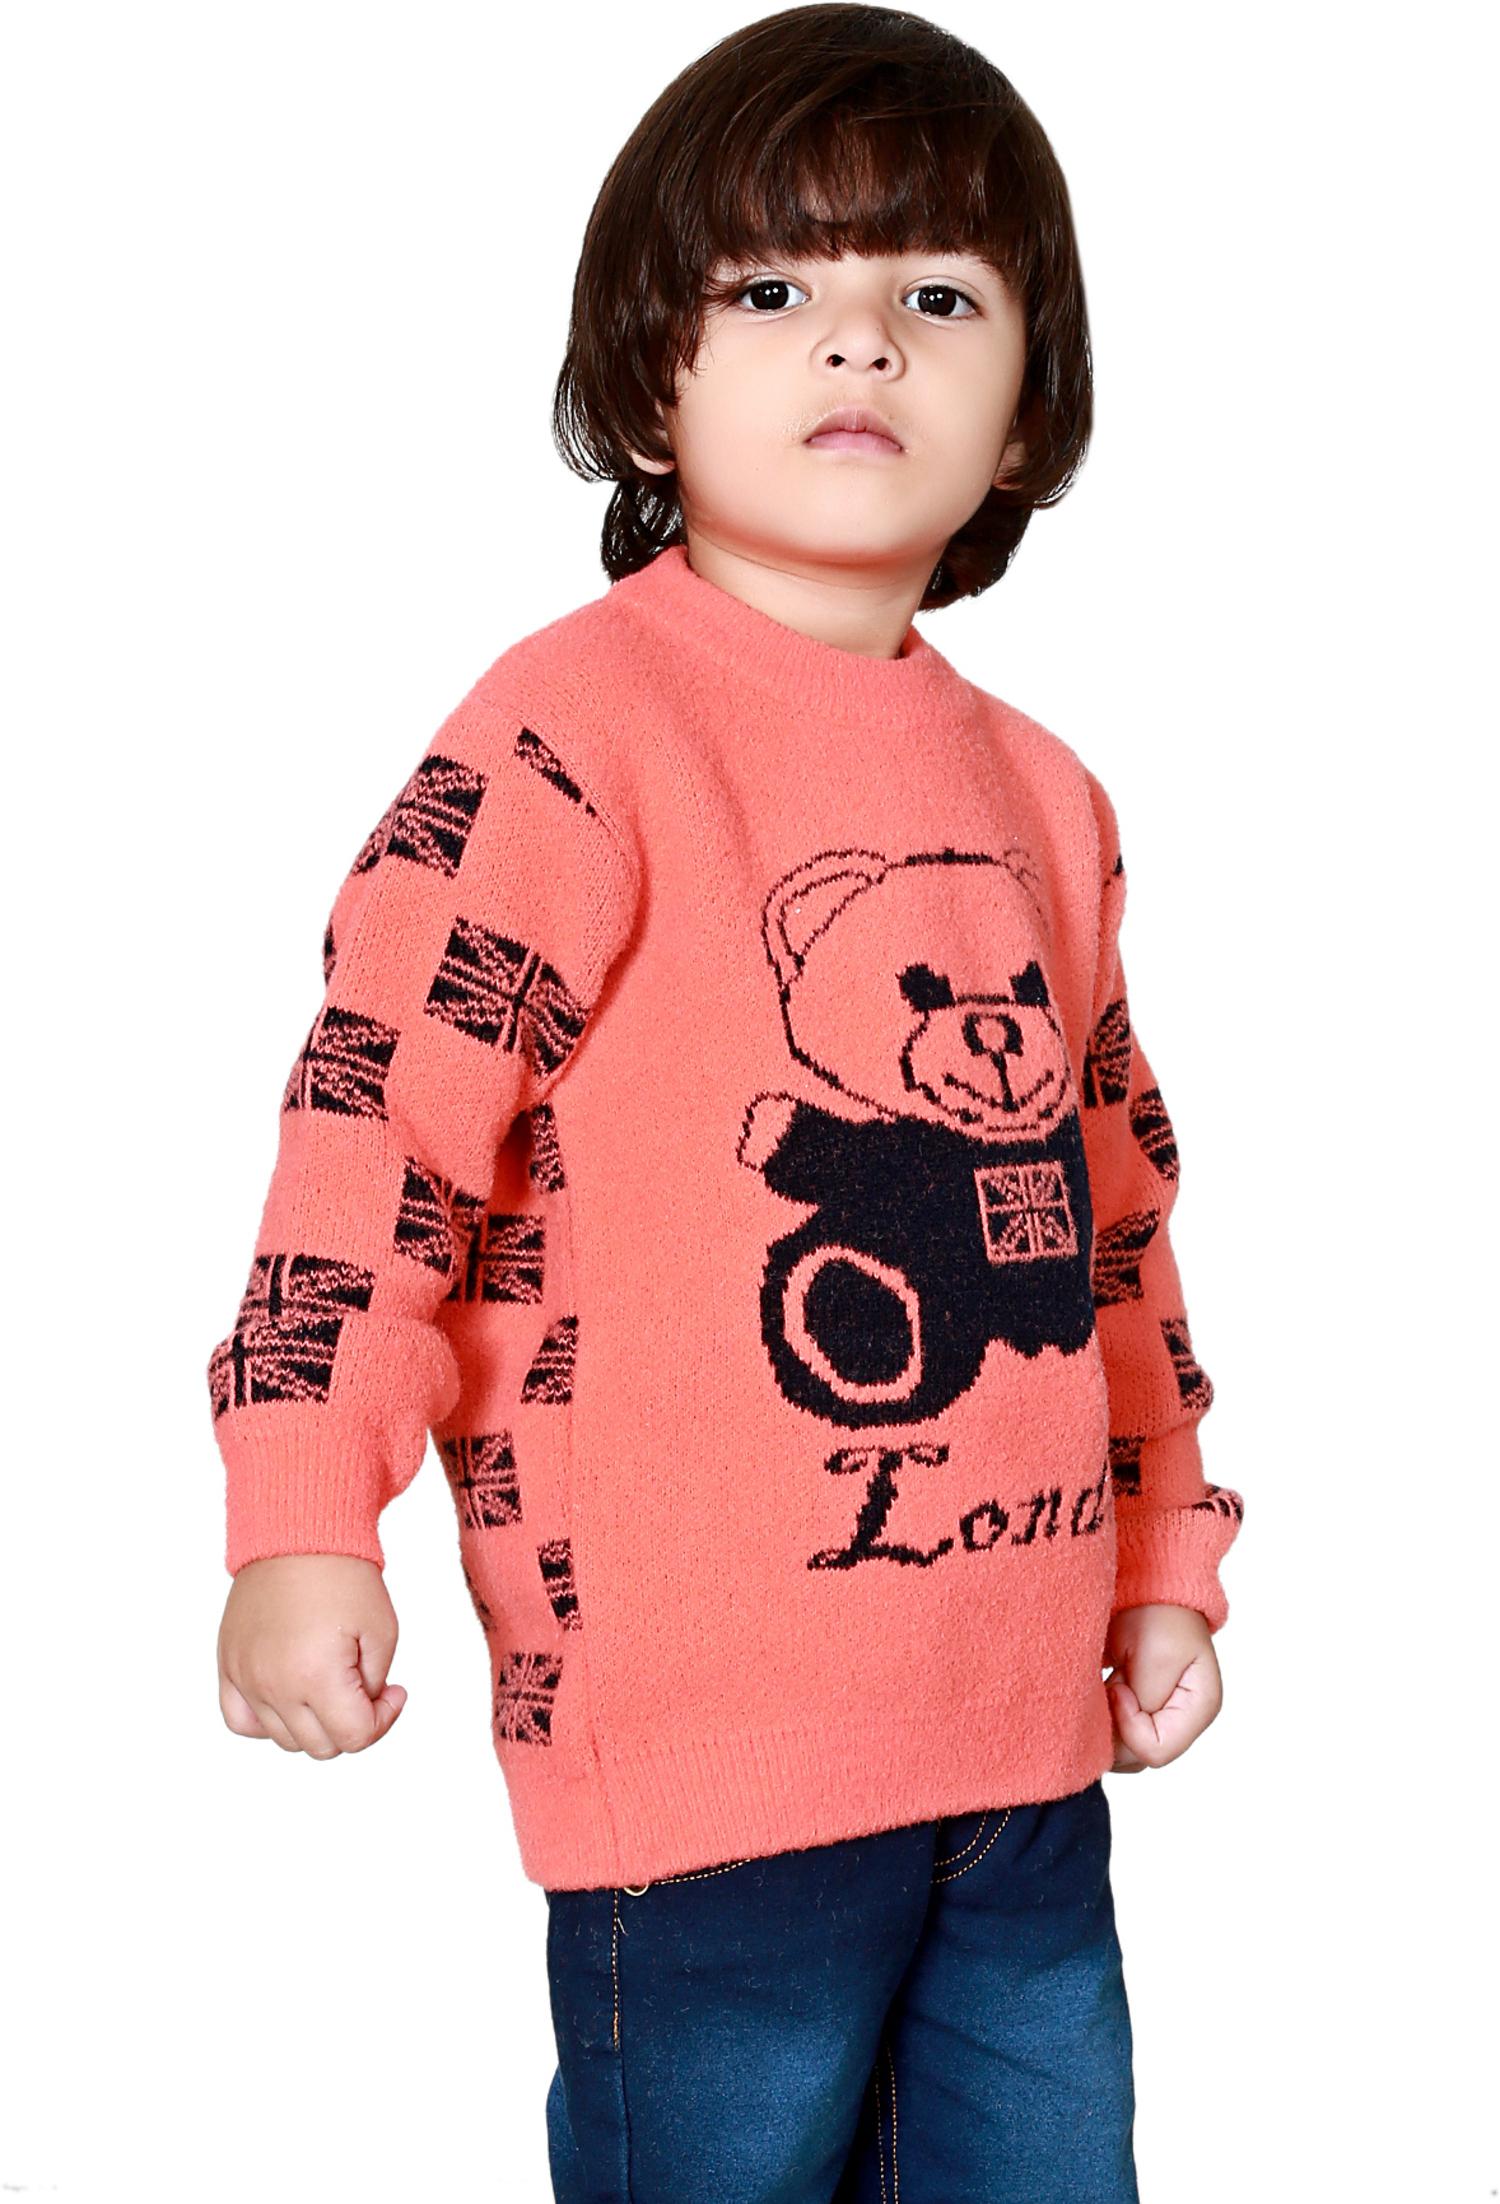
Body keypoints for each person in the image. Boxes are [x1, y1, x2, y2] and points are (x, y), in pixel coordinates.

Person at [207, 7, 1244, 2198]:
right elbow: (379, 1130)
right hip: (700, 1762)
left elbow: (1111, 1213)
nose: (857, 341)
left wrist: (1168, 1546)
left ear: (1028, 407)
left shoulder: (1047, 794)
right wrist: (303, 1510)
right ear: (643, 381)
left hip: (1018, 1745)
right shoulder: (569, 741)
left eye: (936, 295)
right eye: (772, 288)